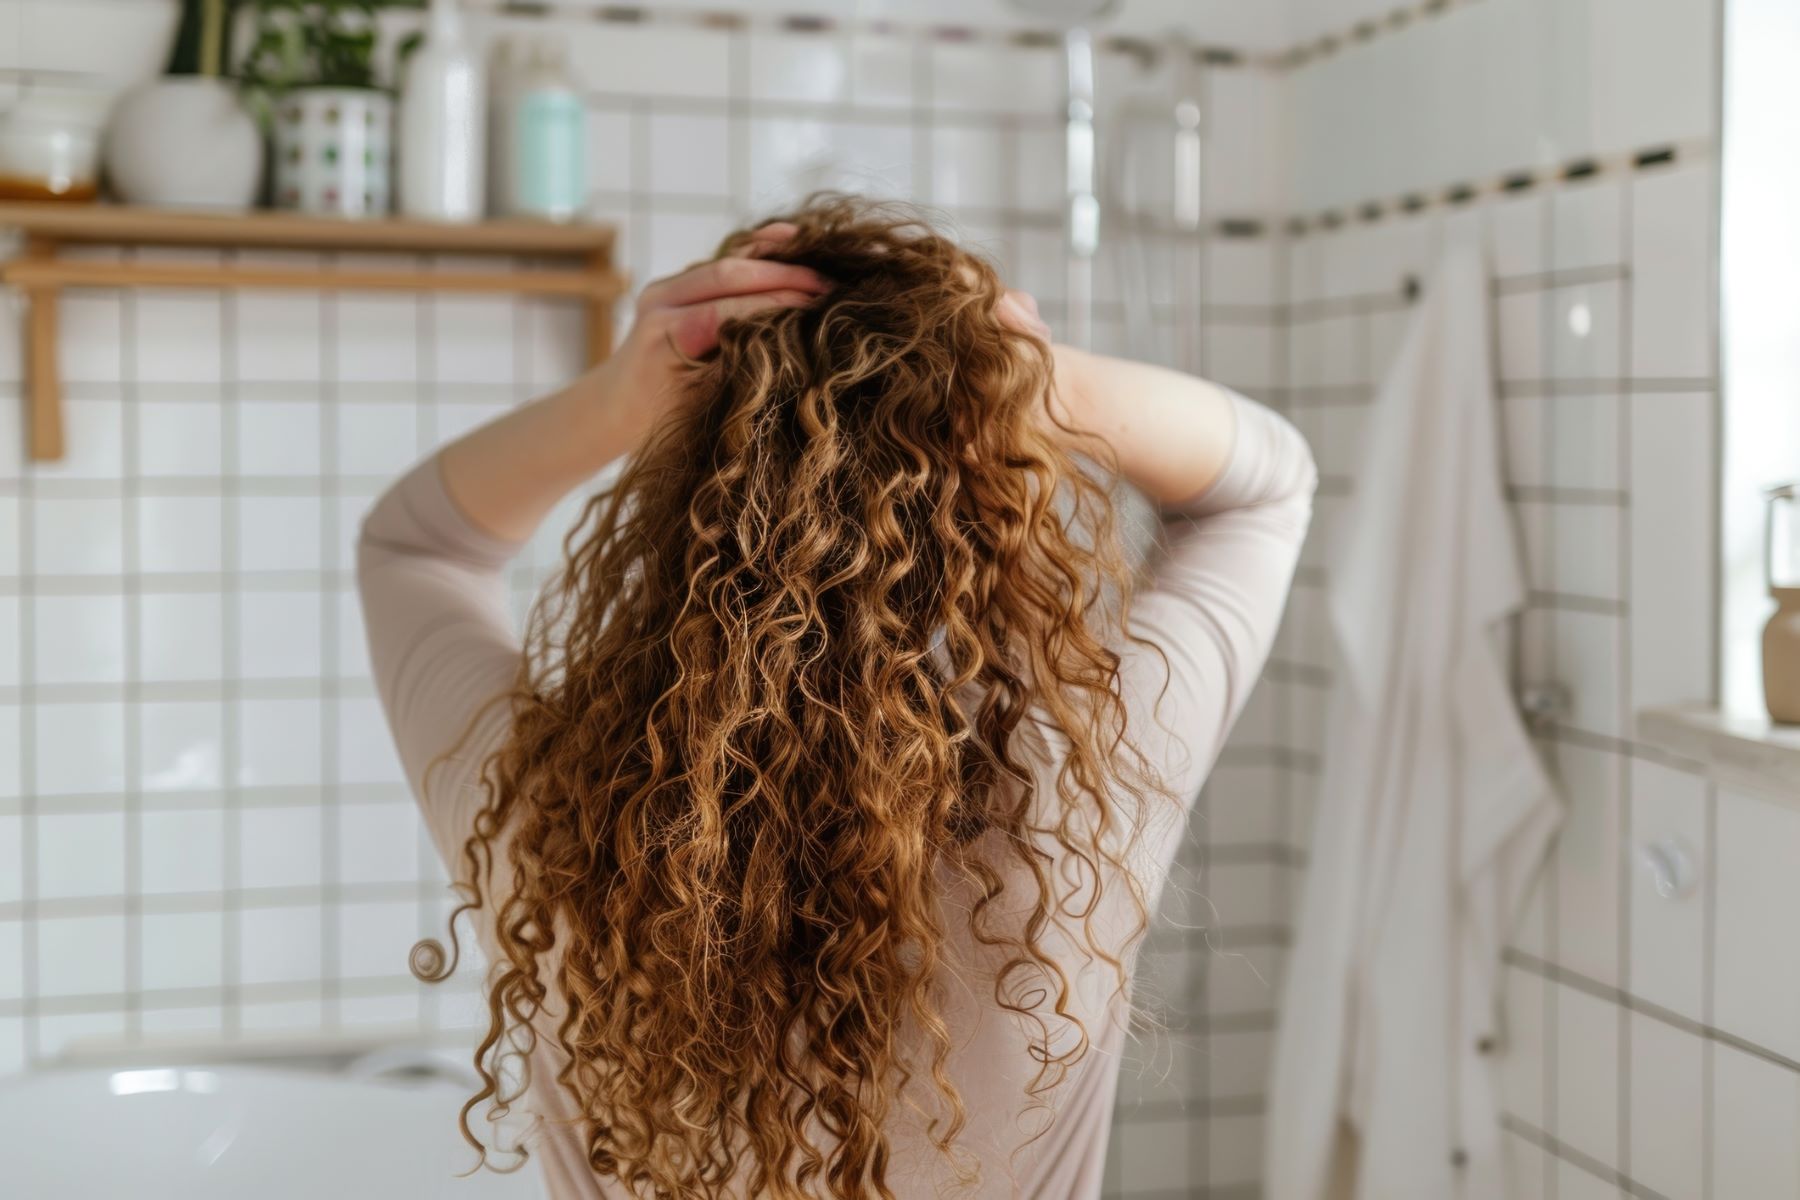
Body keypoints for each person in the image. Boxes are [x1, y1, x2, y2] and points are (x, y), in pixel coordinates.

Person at [357, 197, 1316, 1199]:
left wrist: (617, 398)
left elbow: (415, 544)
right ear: (975, 511)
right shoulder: (1069, 798)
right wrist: (1026, 382)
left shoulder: (550, 827)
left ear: (678, 496)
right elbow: (1265, 484)